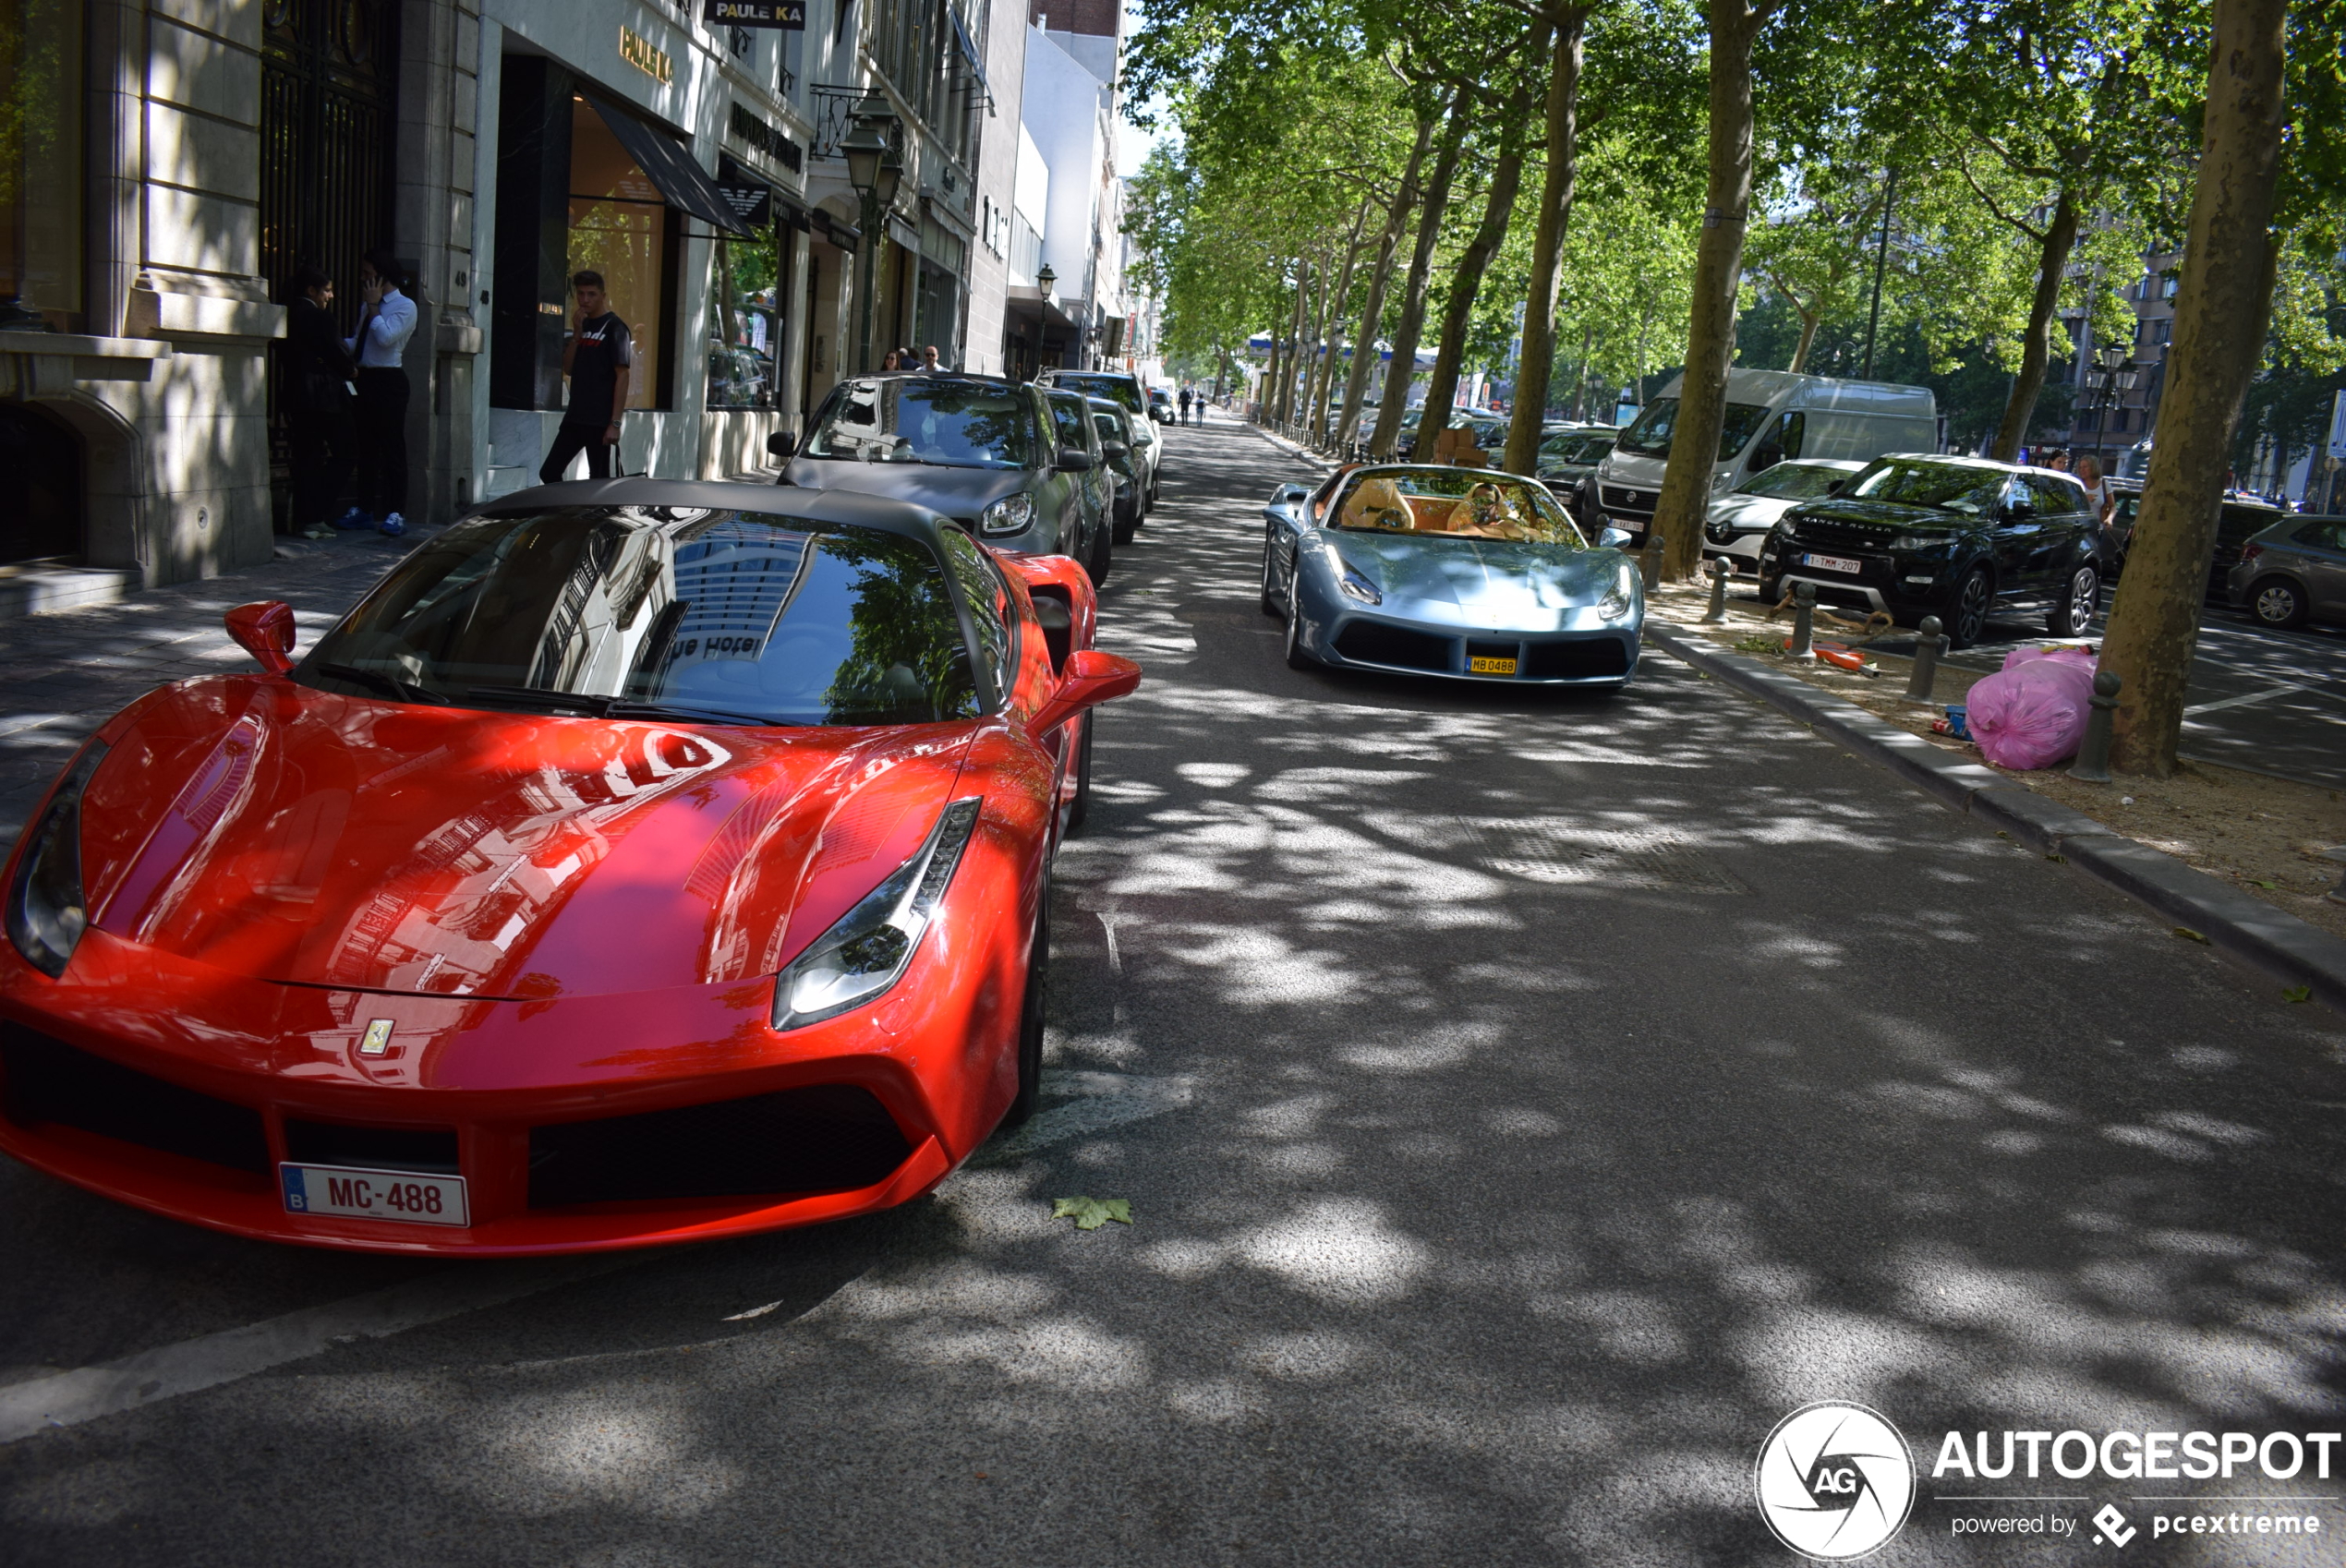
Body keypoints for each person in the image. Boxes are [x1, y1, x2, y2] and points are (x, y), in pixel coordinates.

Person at [344, 248, 417, 536]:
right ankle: (363, 508)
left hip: (390, 381)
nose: (363, 279)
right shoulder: (368, 306)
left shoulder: (404, 306)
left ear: (381, 275)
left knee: (392, 448)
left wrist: (374, 307)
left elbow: (386, 338)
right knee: (366, 448)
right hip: (366, 378)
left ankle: (396, 512)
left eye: (367, 274)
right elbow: (361, 342)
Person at [538, 271, 634, 486]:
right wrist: (576, 336)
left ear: (603, 295)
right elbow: (569, 368)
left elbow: (623, 376)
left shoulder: (615, 328)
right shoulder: (582, 325)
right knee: (549, 472)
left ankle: (599, 518)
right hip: (575, 417)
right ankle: (565, 514)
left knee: (598, 482)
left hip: (600, 421)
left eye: (591, 294)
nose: (585, 300)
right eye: (581, 294)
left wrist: (615, 423)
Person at [284, 266, 355, 541]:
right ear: (311, 291)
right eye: (326, 290)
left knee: (307, 457)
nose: (331, 296)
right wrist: (350, 370)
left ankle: (308, 519)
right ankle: (317, 513)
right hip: (324, 396)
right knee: (347, 452)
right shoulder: (319, 317)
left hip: (296, 395)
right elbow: (336, 350)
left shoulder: (289, 314)